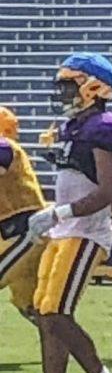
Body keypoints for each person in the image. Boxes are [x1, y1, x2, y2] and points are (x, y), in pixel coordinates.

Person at [13, 53, 112, 373]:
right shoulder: (73, 126)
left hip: (86, 231)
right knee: (45, 317)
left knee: (55, 313)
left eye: (70, 83)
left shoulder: (105, 127)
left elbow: (109, 191)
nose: (63, 91)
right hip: (65, 229)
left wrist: (58, 213)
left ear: (93, 86)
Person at [0, 106, 47, 326]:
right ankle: (64, 343)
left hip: (25, 230)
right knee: (28, 302)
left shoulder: (4, 146)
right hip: (17, 231)